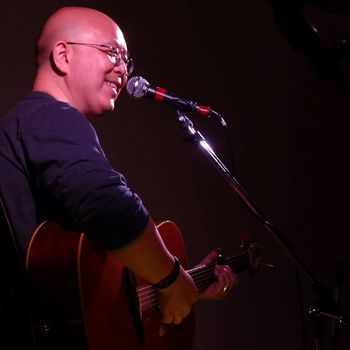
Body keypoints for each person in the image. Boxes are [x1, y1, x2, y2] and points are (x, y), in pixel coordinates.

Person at [0, 6, 238, 349]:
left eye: (127, 61)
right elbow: (111, 210)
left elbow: (77, 293)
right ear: (63, 55)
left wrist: (185, 287)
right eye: (112, 52)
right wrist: (171, 278)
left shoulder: (30, 125)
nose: (123, 71)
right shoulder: (49, 117)